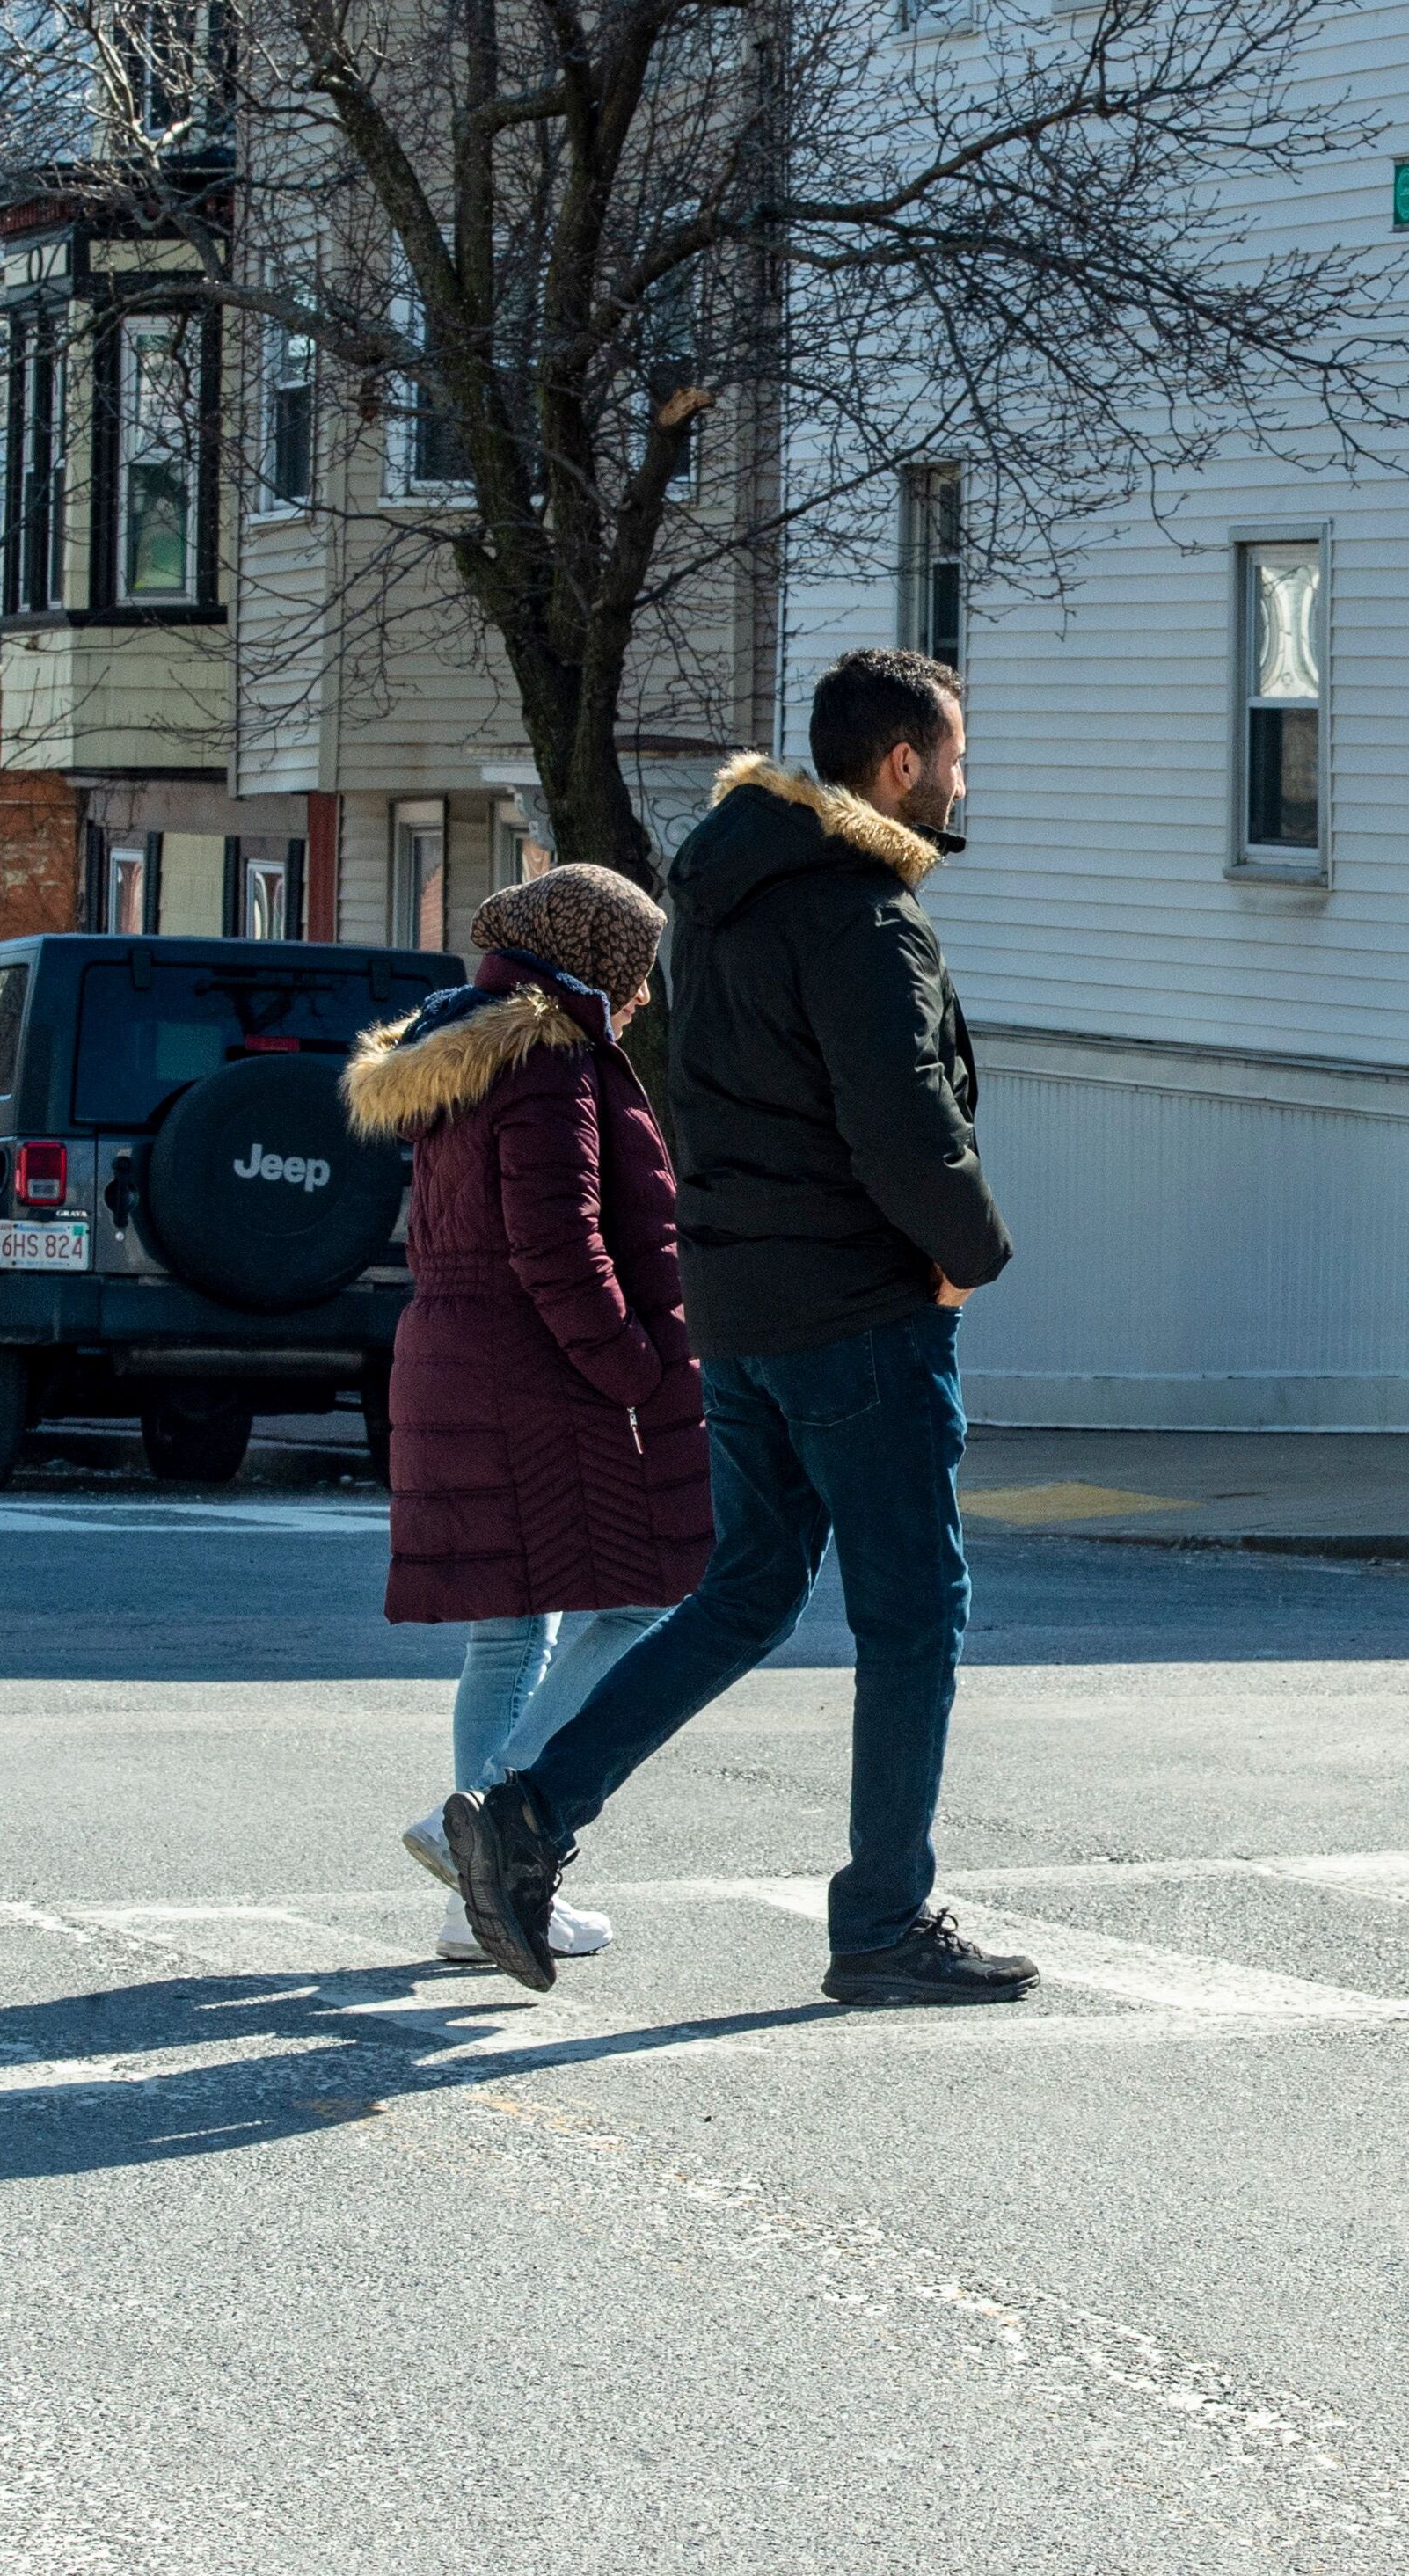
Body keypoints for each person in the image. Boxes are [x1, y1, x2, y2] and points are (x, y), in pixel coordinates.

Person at [447, 647, 1032, 2008]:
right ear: (899, 767)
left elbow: (696, 1096)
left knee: (753, 1586)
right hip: (858, 1308)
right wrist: (971, 1256)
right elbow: (906, 1125)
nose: (962, 780)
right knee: (913, 1617)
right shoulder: (862, 916)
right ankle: (883, 1918)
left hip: (747, 1307)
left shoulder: (715, 897)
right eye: (953, 756)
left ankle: (529, 1815)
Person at [343, 862, 712, 1965]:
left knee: (510, 1628)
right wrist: (640, 1366)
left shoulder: (470, 1045)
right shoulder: (549, 1060)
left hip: (463, 1357)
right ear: (594, 961)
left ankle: (478, 1899)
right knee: (654, 1596)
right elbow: (561, 1243)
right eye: (635, 966)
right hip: (534, 1374)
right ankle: (494, 1821)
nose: (644, 992)